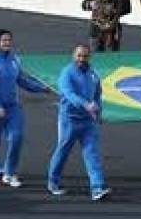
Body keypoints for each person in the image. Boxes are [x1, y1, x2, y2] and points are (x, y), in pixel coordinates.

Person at [0, 29, 51, 187]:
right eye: (4, 40)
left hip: (12, 106)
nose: (7, 43)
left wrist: (41, 88)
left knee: (16, 137)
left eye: (9, 40)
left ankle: (9, 173)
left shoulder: (14, 60)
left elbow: (22, 80)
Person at [46, 44, 110, 200]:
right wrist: (86, 105)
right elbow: (68, 93)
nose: (82, 59)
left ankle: (97, 187)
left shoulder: (93, 75)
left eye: (85, 56)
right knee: (63, 150)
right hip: (70, 119)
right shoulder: (67, 73)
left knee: (92, 153)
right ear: (73, 56)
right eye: (79, 56)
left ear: (89, 57)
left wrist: (98, 111)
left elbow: (97, 95)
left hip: (88, 121)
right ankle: (53, 182)